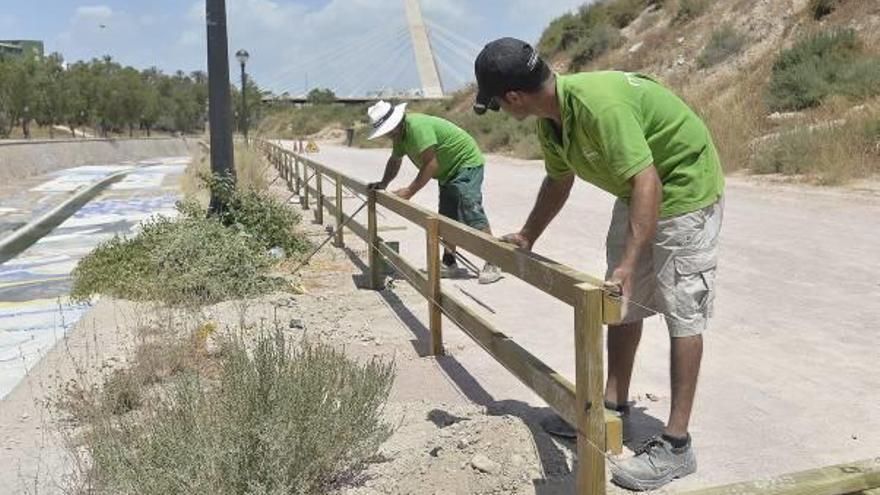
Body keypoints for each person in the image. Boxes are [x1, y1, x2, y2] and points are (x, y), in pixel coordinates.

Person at [473, 38, 724, 491]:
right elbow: (558, 179)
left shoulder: (598, 105)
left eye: (495, 103)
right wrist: (529, 234)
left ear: (513, 98)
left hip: (684, 187)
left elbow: (647, 179)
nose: (499, 109)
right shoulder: (553, 121)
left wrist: (629, 262)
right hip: (641, 192)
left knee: (682, 312)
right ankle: (613, 409)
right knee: (621, 301)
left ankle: (676, 444)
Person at [365, 100, 502, 284]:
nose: (388, 135)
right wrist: (383, 183)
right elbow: (395, 161)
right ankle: (449, 262)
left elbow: (431, 164)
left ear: (397, 123)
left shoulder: (417, 127)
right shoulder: (400, 137)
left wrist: (409, 191)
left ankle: (494, 260)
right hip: (448, 172)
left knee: (469, 206)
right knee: (447, 215)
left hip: (465, 163)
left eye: (389, 131)